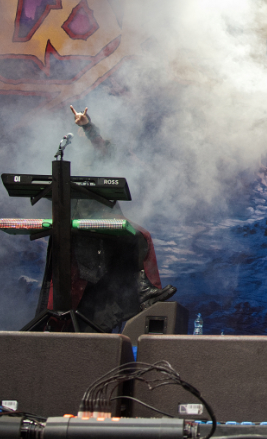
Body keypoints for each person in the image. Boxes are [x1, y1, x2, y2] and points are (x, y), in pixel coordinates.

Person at [34, 106, 175, 331]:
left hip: (101, 216)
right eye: (80, 129)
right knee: (72, 279)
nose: (82, 132)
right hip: (73, 218)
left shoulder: (102, 150)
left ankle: (144, 291)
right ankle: (57, 325)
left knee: (139, 236)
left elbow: (102, 147)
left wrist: (88, 127)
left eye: (87, 130)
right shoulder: (64, 152)